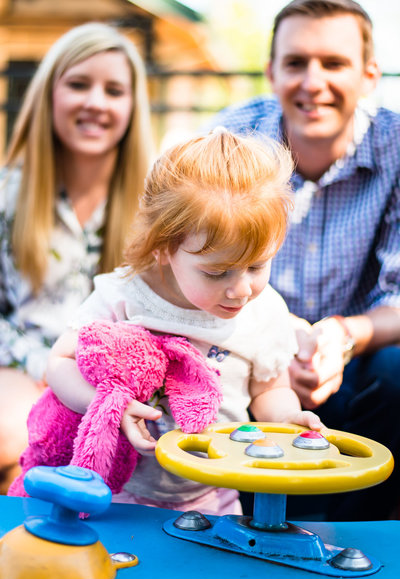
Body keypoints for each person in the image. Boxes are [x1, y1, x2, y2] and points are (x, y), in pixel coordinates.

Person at [45, 128, 323, 516]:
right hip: (117, 492)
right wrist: (107, 405)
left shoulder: (263, 312)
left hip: (217, 492)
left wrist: (286, 417)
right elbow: (59, 362)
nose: (241, 289)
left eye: (257, 265)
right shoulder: (126, 296)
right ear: (163, 247)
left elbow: (268, 390)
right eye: (217, 272)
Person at [208, 0, 400, 520]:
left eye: (333, 64)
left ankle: (372, 536)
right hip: (246, 341)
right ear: (272, 72)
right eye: (296, 63)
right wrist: (276, 336)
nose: (313, 82)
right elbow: (192, 264)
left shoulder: (397, 145)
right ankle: (235, 520)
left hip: (362, 356)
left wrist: (341, 336)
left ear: (369, 75)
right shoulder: (230, 141)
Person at [0, 22, 153, 493]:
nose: (96, 102)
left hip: (118, 377)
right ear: (50, 94)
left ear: (132, 105)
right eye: (79, 84)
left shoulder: (157, 207)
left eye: (114, 90)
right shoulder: (9, 193)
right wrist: (45, 366)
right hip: (24, 364)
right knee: (15, 439)